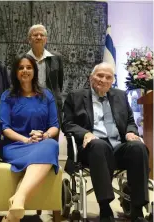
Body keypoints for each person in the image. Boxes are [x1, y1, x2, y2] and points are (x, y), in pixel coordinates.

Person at [62, 62, 149, 222]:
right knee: (98, 145)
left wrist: (131, 132)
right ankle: (105, 208)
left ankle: (137, 210)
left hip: (118, 147)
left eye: (108, 77)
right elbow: (68, 124)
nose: (103, 80)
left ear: (112, 80)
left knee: (138, 147)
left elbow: (130, 120)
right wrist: (86, 133)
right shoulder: (76, 96)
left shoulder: (121, 96)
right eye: (100, 75)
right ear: (91, 78)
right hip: (92, 148)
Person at [0, 54, 60, 222]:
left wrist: (44, 135)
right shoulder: (7, 96)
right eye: (21, 68)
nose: (25, 70)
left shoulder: (46, 95)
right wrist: (25, 140)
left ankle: (17, 201)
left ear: (34, 70)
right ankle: (17, 203)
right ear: (15, 73)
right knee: (48, 148)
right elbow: (4, 128)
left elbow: (54, 125)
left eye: (29, 67)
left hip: (40, 143)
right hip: (15, 146)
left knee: (51, 145)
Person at [27, 24, 64, 123]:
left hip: (51, 102)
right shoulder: (23, 59)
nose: (39, 37)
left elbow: (59, 83)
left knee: (52, 132)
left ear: (46, 39)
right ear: (29, 39)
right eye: (35, 35)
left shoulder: (56, 58)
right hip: (29, 101)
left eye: (42, 35)